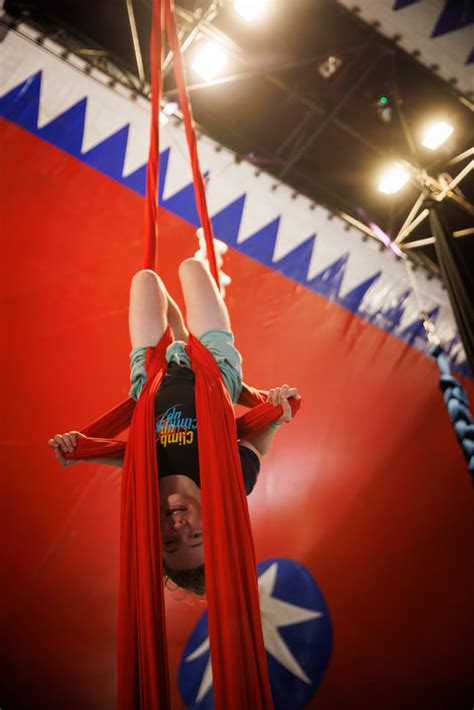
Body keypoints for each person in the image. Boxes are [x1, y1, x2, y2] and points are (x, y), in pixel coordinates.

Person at [48, 256, 300, 595]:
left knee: (145, 280)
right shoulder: (229, 485)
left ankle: (179, 336)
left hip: (151, 377)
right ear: (214, 527)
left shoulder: (148, 493)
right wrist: (277, 415)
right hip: (214, 368)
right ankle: (184, 338)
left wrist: (82, 452)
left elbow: (131, 456)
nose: (179, 527)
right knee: (192, 268)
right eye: (195, 536)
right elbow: (258, 443)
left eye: (170, 542)